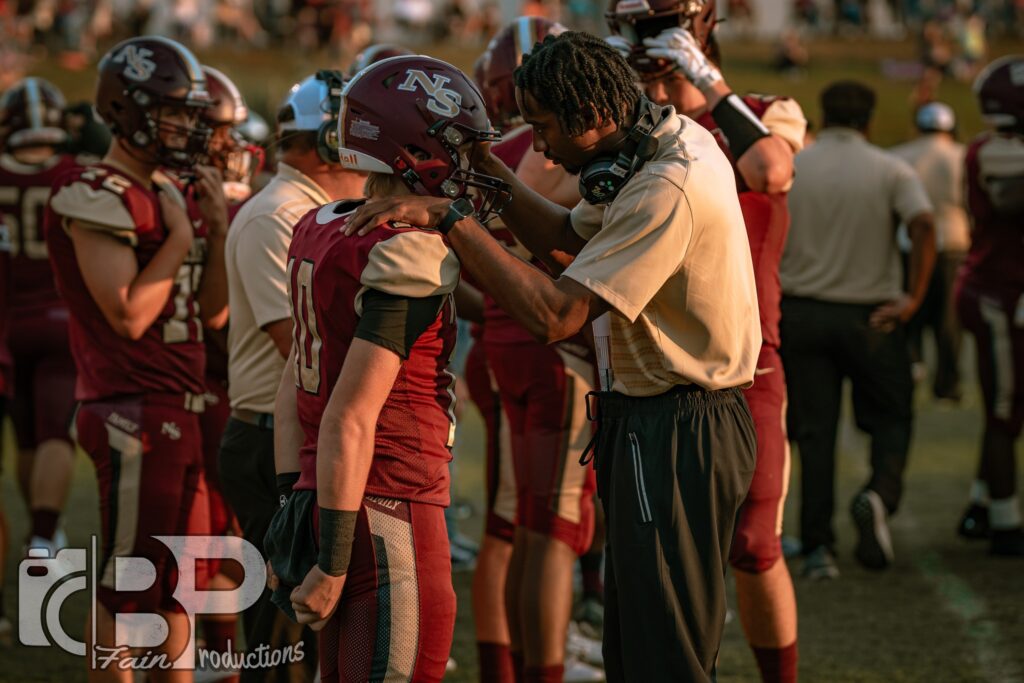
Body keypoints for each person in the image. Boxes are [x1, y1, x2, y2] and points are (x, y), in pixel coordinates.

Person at [344, 32, 760, 683]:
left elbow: (556, 313)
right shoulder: (649, 142)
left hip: (677, 426)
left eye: (542, 127)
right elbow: (567, 242)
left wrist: (452, 218)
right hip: (656, 420)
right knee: (633, 646)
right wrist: (483, 165)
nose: (537, 146)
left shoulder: (666, 186)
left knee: (667, 656)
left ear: (591, 118)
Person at [266, 55, 509, 683]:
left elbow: (290, 389)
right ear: (413, 148)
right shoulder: (407, 251)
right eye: (453, 146)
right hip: (390, 506)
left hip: (331, 497)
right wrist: (336, 561)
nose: (466, 164)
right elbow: (350, 416)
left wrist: (298, 508)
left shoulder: (317, 225)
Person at [606, 0, 805, 679]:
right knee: (659, 556)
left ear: (702, 25)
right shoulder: (631, 124)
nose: (646, 41)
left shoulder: (762, 108)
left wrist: (707, 83)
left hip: (749, 359)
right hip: (650, 362)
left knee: (753, 542)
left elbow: (771, 171)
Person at [44, 36, 229, 681]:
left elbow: (213, 315)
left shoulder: (167, 189)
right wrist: (180, 234)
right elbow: (127, 313)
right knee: (128, 591)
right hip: (131, 408)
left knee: (178, 588)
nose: (186, 126)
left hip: (179, 404)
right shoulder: (92, 188)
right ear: (126, 110)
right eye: (173, 111)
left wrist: (217, 227)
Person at [219, 70, 364, 682]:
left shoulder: (303, 209)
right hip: (272, 436)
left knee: (314, 628)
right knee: (282, 633)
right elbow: (302, 347)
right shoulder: (277, 215)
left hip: (299, 430)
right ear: (331, 141)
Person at [476, 16, 604, 683]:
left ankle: (526, 664)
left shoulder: (504, 151)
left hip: (505, 332)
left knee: (527, 522)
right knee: (551, 527)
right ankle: (541, 670)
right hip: (552, 344)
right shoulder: (550, 150)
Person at [780, 80, 936, 579]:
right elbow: (924, 225)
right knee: (892, 417)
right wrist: (912, 298)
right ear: (868, 120)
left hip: (801, 313)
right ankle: (879, 493)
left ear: (820, 118)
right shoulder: (890, 169)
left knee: (813, 434)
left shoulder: (793, 166)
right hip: (871, 316)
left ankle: (817, 545)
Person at [0, 77, 80, 553]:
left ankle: (37, 531)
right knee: (55, 430)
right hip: (58, 319)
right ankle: (43, 535)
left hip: (6, 325)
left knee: (27, 435)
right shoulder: (73, 173)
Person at [954, 55, 1024, 557]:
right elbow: (1010, 200)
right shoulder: (996, 153)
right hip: (1000, 293)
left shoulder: (996, 147)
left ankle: (982, 503)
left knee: (1007, 408)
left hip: (999, 288)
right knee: (1004, 411)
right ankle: (1006, 525)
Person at [890, 102, 968, 401]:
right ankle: (947, 383)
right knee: (949, 320)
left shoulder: (899, 155)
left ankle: (911, 368)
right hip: (953, 243)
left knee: (911, 311)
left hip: (910, 243)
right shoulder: (961, 156)